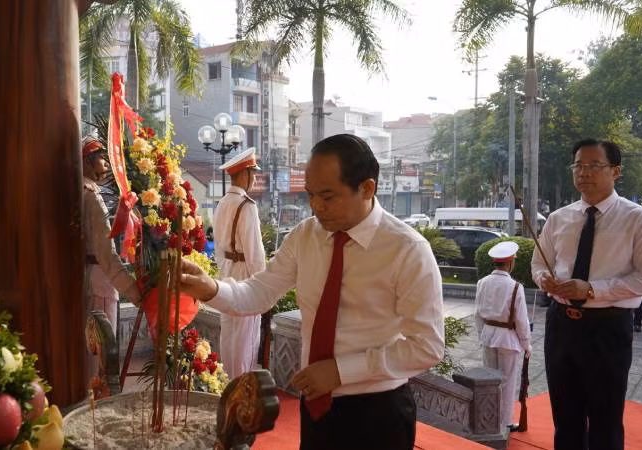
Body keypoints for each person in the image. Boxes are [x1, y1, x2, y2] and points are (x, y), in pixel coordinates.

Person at [180, 134, 444, 450]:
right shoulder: (306, 236)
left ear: (367, 188)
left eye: (328, 196)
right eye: (310, 195)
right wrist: (211, 288)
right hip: (318, 404)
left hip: (378, 411)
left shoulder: (408, 250)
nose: (316, 207)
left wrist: (340, 372)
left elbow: (428, 346)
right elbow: (261, 291)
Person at [531, 138, 642, 450]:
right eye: (578, 165)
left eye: (594, 165)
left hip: (607, 327)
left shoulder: (639, 219)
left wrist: (592, 289)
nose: (584, 172)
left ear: (616, 171)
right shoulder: (559, 218)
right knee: (565, 417)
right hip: (561, 324)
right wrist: (544, 279)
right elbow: (539, 262)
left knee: (605, 418)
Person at [213, 148, 267, 379]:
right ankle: (242, 388)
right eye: (252, 174)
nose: (254, 179)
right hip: (245, 276)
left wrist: (223, 271)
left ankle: (227, 385)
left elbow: (217, 247)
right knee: (246, 338)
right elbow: (255, 252)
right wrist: (263, 286)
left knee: (229, 335)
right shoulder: (247, 206)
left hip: (226, 274)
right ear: (244, 174)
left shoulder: (222, 203)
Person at [82, 136, 141, 335]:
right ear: (87, 162)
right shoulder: (91, 195)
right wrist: (133, 290)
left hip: (88, 277)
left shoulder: (81, 190)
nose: (106, 163)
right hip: (100, 282)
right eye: (100, 158)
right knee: (103, 351)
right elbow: (106, 253)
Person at [474, 241, 531, 432]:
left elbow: (478, 314)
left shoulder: (482, 282)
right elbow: (521, 321)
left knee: (489, 381)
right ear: (510, 263)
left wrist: (482, 334)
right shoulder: (515, 287)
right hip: (507, 338)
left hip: (489, 335)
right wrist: (526, 345)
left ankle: (487, 419)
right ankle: (504, 422)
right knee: (506, 383)